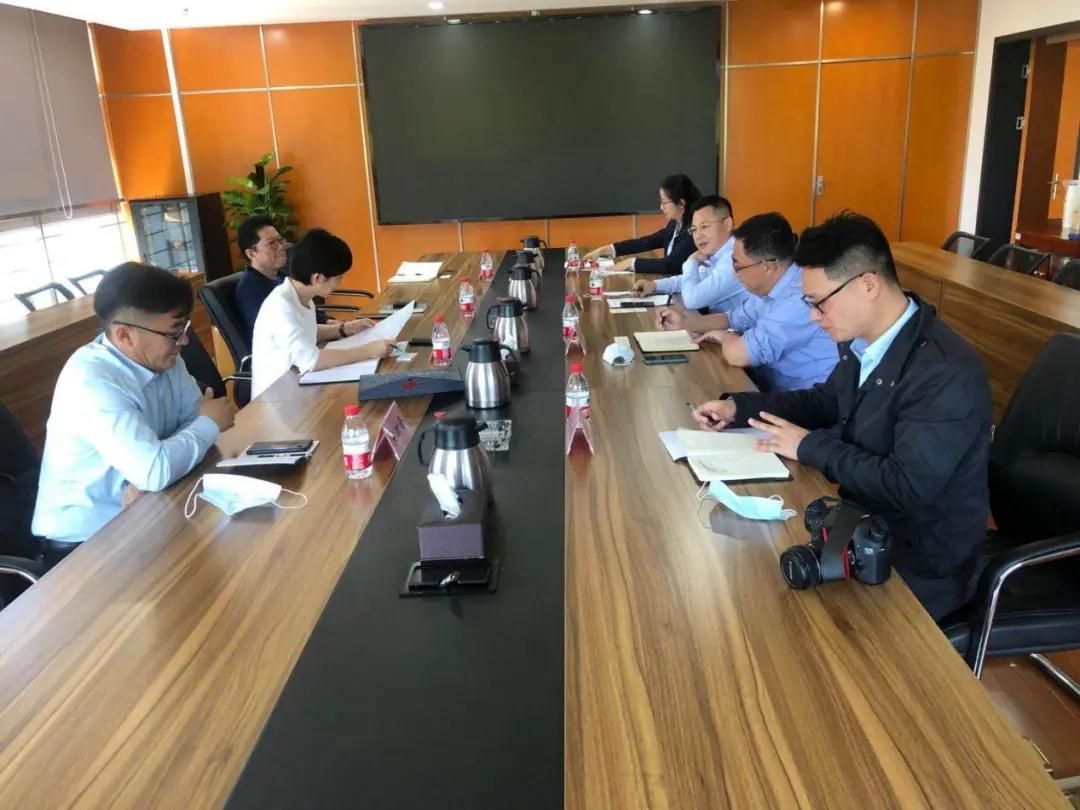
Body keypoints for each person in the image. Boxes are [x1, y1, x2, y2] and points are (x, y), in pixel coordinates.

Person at [693, 212, 992, 620]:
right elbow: (824, 402)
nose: (814, 317)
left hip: (919, 562)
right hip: (861, 525)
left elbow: (906, 485)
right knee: (746, 583)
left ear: (868, 285)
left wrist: (809, 446)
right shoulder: (866, 343)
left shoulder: (944, 373)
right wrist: (738, 408)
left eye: (820, 303)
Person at [32, 262, 235, 566]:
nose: (184, 341)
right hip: (83, 550)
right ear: (125, 335)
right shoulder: (92, 380)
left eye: (184, 329)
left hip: (149, 512)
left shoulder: (165, 359)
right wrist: (209, 424)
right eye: (174, 333)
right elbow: (158, 468)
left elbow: (185, 431)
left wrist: (160, 466)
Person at [655, 212, 837, 392]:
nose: (735, 274)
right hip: (767, 385)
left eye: (738, 267)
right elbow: (733, 318)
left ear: (768, 267)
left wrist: (724, 336)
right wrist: (685, 322)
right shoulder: (773, 284)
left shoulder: (797, 300)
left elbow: (738, 355)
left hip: (804, 400)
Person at [251, 228, 393, 399]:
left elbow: (305, 331)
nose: (340, 283)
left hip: (298, 384)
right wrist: (369, 351)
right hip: (276, 399)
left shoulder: (300, 295)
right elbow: (311, 360)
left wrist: (344, 328)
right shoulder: (281, 307)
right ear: (317, 278)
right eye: (338, 278)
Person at [636, 195, 747, 313]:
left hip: (732, 324)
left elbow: (692, 300)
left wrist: (691, 261)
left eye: (704, 226)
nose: (698, 236)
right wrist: (654, 285)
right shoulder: (717, 253)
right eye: (694, 230)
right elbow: (693, 279)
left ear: (727, 224)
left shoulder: (736, 258)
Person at [583, 174, 701, 275]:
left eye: (664, 202)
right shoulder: (674, 224)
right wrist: (605, 250)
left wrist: (631, 263)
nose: (661, 207)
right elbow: (648, 241)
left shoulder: (694, 230)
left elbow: (669, 265)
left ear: (681, 203)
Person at [234, 214, 289, 345]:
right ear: (251, 253)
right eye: (272, 243)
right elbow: (279, 334)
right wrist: (335, 330)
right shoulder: (250, 290)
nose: (281, 247)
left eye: (280, 240)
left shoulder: (281, 277)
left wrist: (327, 321)